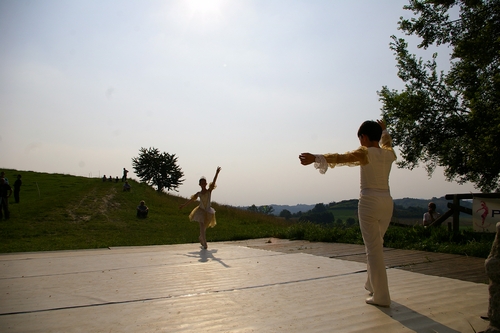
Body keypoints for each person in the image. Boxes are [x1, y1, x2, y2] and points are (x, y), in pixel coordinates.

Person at [299, 119, 396, 307]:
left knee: (373, 250)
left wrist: (316, 157)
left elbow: (340, 157)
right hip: (387, 202)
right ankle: (372, 285)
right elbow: (387, 142)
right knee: (377, 246)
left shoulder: (364, 152)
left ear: (364, 137)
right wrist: (384, 130)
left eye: (360, 138)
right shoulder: (389, 154)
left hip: (369, 202)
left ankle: (382, 296)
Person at [179, 167, 221, 250]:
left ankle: (201, 238)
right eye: (201, 183)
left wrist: (216, 173)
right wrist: (184, 205)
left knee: (204, 227)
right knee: (201, 227)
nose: (203, 184)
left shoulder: (209, 191)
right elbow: (191, 200)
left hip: (208, 211)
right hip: (200, 211)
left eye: (204, 183)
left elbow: (214, 182)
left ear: (206, 184)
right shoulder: (198, 193)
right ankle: (205, 243)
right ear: (200, 184)